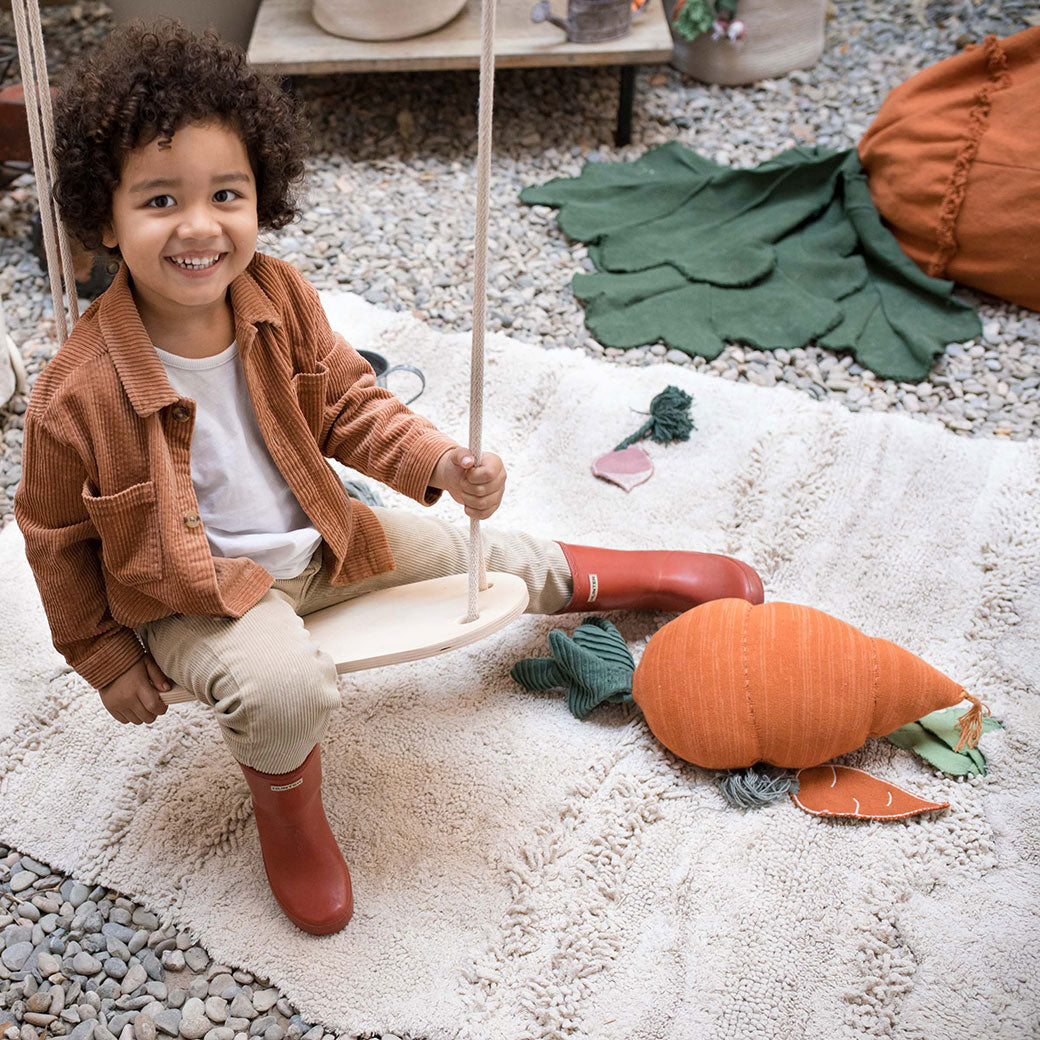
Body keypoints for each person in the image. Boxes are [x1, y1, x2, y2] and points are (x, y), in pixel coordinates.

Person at [13, 20, 764, 936]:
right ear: (104, 219)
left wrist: (440, 460)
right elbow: (53, 537)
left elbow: (351, 408)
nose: (200, 226)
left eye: (227, 193)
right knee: (283, 692)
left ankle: (599, 575)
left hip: (321, 536)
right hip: (198, 594)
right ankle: (289, 814)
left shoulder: (277, 298)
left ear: (263, 198)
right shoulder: (77, 393)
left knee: (457, 554)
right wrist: (101, 658)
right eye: (160, 200)